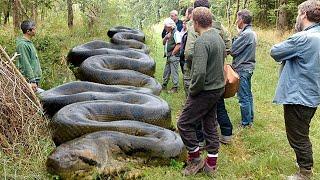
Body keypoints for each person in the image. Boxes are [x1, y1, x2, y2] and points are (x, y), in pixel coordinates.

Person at [270, 1, 320, 179]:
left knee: (298, 135)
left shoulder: (303, 38)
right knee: (302, 130)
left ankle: (305, 171)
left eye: (299, 14)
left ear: (304, 15)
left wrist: (296, 35)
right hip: (313, 94)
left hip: (298, 95)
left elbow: (275, 51)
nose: (297, 17)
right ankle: (303, 162)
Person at [177, 7, 225, 176]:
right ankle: (211, 165)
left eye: (192, 23)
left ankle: (195, 160)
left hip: (205, 91)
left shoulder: (202, 41)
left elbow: (199, 73)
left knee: (183, 123)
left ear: (196, 23)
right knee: (210, 125)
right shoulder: (218, 37)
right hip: (217, 89)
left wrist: (193, 91)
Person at [184, 0, 233, 145]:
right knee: (218, 106)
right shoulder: (219, 27)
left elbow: (188, 53)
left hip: (202, 78)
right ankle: (226, 134)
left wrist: (203, 57)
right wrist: (216, 57)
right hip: (217, 76)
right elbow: (228, 47)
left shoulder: (195, 29)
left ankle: (199, 141)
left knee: (193, 114)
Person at [230, 9, 257, 128]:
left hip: (242, 68)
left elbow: (232, 50)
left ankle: (246, 123)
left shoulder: (246, 34)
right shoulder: (251, 32)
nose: (236, 21)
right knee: (248, 95)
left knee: (243, 97)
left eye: (237, 18)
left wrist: (237, 36)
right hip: (248, 67)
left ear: (241, 20)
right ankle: (249, 119)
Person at [16, 20, 43, 93]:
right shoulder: (22, 45)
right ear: (28, 31)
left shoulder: (28, 43)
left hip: (35, 79)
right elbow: (25, 63)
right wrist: (32, 80)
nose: (35, 30)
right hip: (29, 81)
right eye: (34, 29)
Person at [162, 18, 181, 93]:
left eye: (166, 26)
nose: (165, 28)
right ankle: (164, 85)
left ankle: (175, 87)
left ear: (170, 26)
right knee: (166, 71)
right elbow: (163, 43)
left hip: (174, 56)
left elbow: (179, 45)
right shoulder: (168, 32)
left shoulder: (176, 33)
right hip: (169, 56)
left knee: (174, 72)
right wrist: (166, 37)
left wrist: (173, 54)